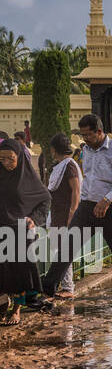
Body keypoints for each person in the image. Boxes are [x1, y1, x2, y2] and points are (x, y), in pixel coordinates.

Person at [42, 115, 112, 313]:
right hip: (87, 206)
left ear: (99, 132)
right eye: (82, 135)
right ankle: (47, 293)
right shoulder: (86, 151)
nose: (85, 139)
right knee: (67, 247)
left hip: (111, 207)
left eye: (88, 135)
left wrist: (107, 200)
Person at [0, 138, 47, 326]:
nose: (5, 163)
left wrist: (34, 219)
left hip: (20, 231)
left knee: (19, 271)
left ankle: (17, 309)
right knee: (2, 270)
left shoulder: (28, 178)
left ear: (19, 157)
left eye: (10, 159)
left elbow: (44, 200)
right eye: (1, 159)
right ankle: (2, 306)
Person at [45, 134, 81, 299]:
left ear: (54, 149)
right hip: (57, 213)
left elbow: (76, 191)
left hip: (65, 214)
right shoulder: (61, 165)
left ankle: (68, 287)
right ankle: (65, 285)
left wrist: (72, 214)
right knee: (58, 250)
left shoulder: (69, 166)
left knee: (62, 251)